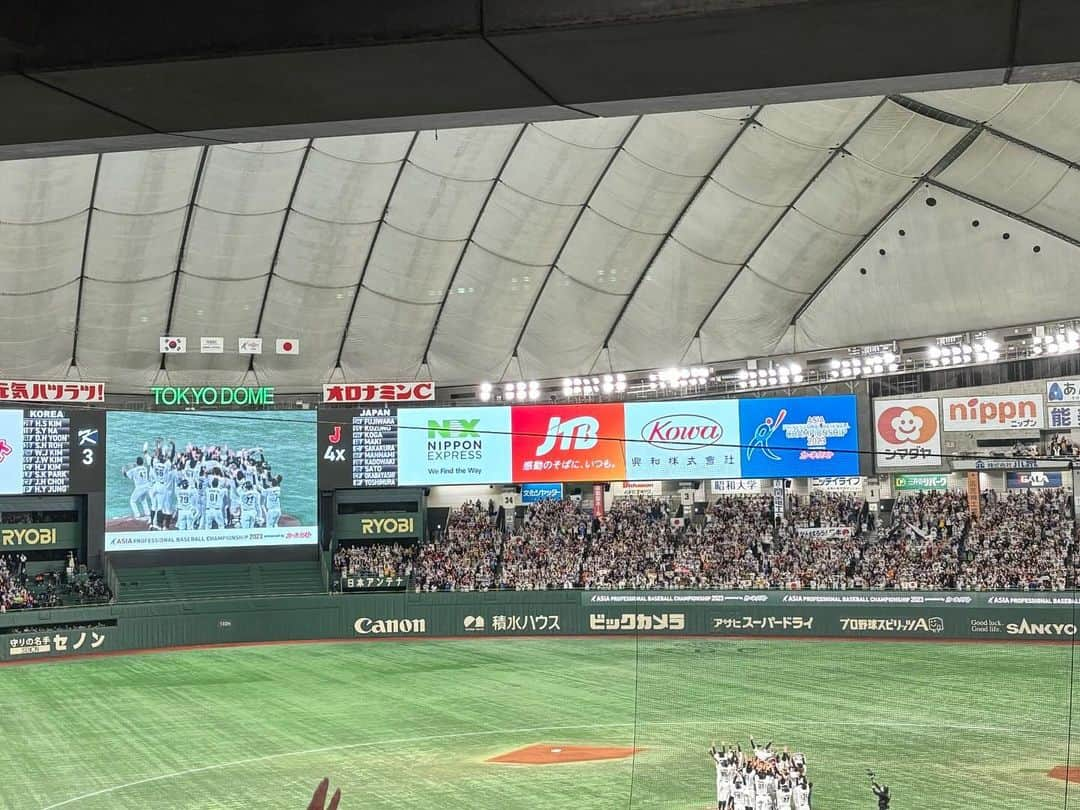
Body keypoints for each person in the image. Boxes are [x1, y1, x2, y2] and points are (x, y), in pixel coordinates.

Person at [122, 456, 151, 521]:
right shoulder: (145, 468)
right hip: (146, 486)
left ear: (137, 462)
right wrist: (135, 465)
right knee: (143, 500)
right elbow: (138, 468)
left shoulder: (133, 470)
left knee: (132, 501)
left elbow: (126, 475)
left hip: (139, 487)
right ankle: (147, 513)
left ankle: (137, 515)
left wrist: (123, 470)